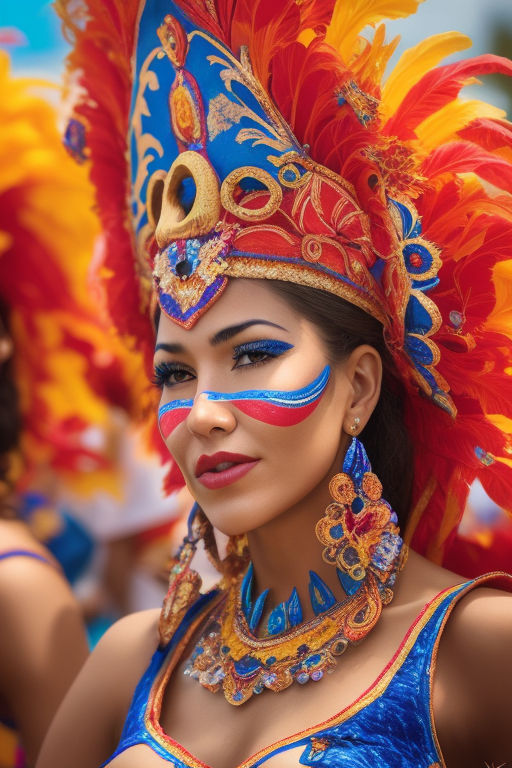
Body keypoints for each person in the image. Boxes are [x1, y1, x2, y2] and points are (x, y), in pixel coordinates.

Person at [39, 0, 512, 766]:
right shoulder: (134, 661)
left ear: (358, 387)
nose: (204, 414)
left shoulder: (472, 652)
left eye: (252, 355)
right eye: (175, 373)